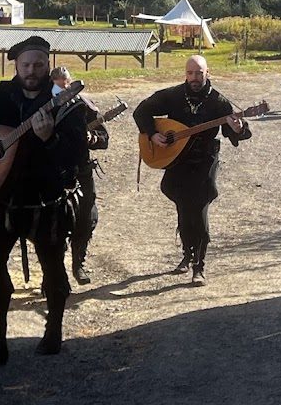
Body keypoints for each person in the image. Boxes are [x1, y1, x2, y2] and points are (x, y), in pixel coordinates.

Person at [0, 36, 84, 364]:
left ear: (48, 64)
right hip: (4, 201)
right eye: (26, 64)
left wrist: (49, 137)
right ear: (16, 64)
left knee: (53, 268)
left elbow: (77, 154)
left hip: (46, 201)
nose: (32, 70)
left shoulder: (65, 104)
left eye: (39, 64)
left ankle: (54, 330)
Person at [132, 55, 251, 286]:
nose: (194, 78)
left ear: (208, 73)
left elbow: (234, 133)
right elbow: (141, 111)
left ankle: (199, 265)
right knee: (182, 203)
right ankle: (187, 253)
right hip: (178, 160)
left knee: (200, 206)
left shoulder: (219, 102)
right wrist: (152, 133)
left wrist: (238, 128)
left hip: (205, 159)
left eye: (199, 73)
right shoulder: (174, 95)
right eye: (190, 73)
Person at [49, 66, 108, 286]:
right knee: (54, 224)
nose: (63, 88)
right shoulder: (43, 105)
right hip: (52, 171)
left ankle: (78, 264)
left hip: (81, 169)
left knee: (86, 217)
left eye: (67, 84)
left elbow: (103, 137)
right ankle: (53, 273)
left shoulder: (84, 105)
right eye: (58, 85)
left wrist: (93, 138)